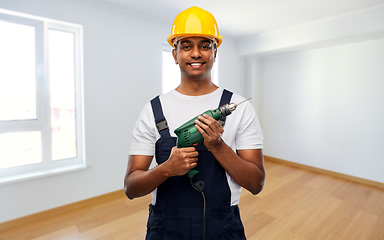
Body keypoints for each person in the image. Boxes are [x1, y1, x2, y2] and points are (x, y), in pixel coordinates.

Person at [124, 6, 265, 240]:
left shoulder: (240, 107)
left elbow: (256, 183)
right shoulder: (152, 110)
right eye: (186, 46)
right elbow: (131, 187)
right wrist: (166, 169)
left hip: (223, 227)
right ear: (175, 54)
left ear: (215, 52)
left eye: (205, 45)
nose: (196, 53)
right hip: (165, 228)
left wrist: (218, 146)